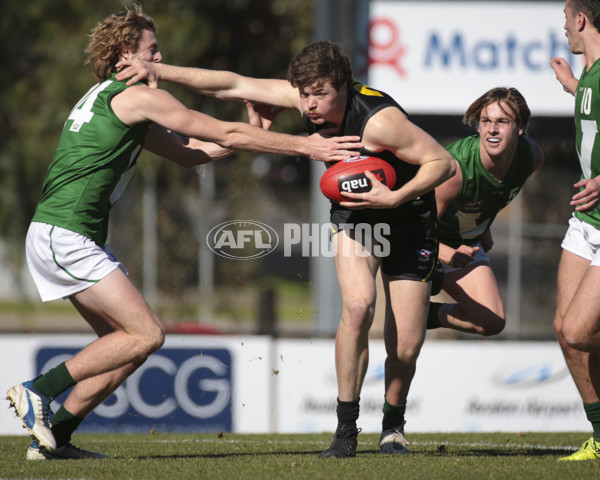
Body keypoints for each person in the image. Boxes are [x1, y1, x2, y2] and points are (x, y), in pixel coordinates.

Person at [5, 8, 362, 461]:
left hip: (66, 235)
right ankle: (39, 390)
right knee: (147, 334)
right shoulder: (136, 99)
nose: (160, 59)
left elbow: (191, 153)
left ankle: (54, 436)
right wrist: (306, 145)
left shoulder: (109, 99)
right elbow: (221, 130)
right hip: (67, 233)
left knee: (125, 347)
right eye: (152, 51)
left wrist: (253, 132)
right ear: (124, 56)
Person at [116, 40, 455, 458]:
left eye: (320, 94)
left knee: (403, 347)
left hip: (407, 217)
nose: (309, 105)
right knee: (357, 308)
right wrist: (160, 72)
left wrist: (395, 198)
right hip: (355, 217)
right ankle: (345, 432)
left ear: (344, 87)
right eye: (303, 94)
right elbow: (231, 84)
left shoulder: (380, 124)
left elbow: (443, 163)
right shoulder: (304, 98)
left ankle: (393, 425)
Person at [425, 87, 544, 336]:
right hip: (422, 247)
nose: (492, 129)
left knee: (492, 322)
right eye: (485, 121)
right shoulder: (454, 171)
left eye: (502, 121)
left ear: (520, 127)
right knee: (405, 349)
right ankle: (411, 310)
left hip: (465, 248)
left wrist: (484, 227)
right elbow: (410, 227)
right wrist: (445, 253)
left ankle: (428, 314)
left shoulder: (531, 157)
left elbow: (489, 195)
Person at [548, 0, 600, 462]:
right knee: (565, 330)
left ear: (581, 19)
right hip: (586, 222)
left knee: (582, 331)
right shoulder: (591, 76)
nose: (564, 27)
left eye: (566, 18)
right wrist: (573, 86)